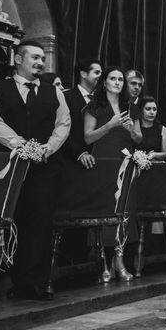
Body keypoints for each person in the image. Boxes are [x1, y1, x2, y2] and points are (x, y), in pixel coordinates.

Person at [0, 40, 71, 301]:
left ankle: (32, 283)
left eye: (43, 58)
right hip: (8, 167)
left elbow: (63, 124)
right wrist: (21, 145)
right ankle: (0, 279)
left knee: (39, 221)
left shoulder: (55, 93)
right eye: (34, 57)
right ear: (18, 59)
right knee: (7, 220)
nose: (41, 62)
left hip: (45, 166)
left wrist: (46, 149)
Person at [84, 66, 142, 281]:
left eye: (120, 79)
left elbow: (138, 139)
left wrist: (129, 129)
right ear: (104, 82)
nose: (117, 82)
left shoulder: (131, 108)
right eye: (113, 78)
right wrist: (109, 125)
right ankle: (103, 262)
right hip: (103, 162)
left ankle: (119, 259)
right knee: (105, 209)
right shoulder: (94, 107)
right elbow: (88, 138)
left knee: (126, 212)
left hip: (125, 162)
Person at [61, 58, 102, 264]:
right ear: (83, 74)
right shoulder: (67, 97)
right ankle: (69, 260)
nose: (100, 77)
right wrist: (79, 153)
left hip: (96, 165)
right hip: (71, 163)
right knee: (72, 215)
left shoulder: (102, 101)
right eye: (96, 72)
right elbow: (61, 131)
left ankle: (88, 261)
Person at [136, 96, 166, 161]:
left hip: (156, 166)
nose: (152, 112)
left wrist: (154, 155)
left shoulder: (161, 129)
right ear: (140, 110)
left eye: (154, 109)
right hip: (135, 168)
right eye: (148, 109)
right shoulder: (134, 127)